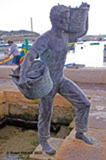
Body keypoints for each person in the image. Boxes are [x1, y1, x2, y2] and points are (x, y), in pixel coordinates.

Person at [19, 4, 94, 155]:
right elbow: (30, 56)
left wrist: (86, 14)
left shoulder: (66, 35)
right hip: (46, 82)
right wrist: (22, 76)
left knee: (84, 103)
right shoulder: (45, 39)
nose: (67, 22)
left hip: (60, 79)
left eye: (68, 19)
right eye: (64, 19)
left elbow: (82, 32)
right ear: (55, 20)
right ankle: (44, 141)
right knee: (45, 113)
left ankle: (80, 132)